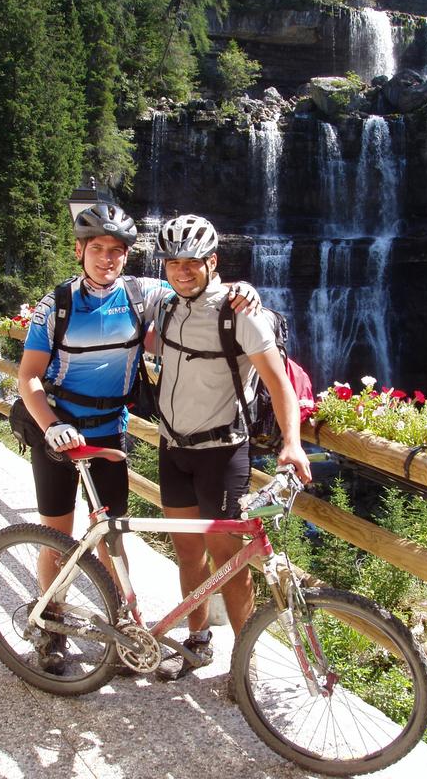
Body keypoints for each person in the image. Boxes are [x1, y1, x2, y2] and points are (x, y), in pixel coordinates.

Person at [18, 202, 258, 674]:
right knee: (58, 537)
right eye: (98, 249)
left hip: (109, 433)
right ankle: (49, 626)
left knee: (113, 538)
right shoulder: (57, 305)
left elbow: (196, 287)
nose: (108, 258)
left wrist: (243, 290)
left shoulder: (142, 293)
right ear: (80, 250)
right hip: (58, 431)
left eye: (117, 251)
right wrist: (52, 425)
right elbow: (28, 377)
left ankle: (122, 624)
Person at [151, 213, 312, 682]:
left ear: (212, 261)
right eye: (173, 262)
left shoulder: (240, 311)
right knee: (187, 553)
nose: (182, 270)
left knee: (230, 560)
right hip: (171, 448)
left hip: (221, 453)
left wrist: (293, 444)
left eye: (193, 262)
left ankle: (246, 663)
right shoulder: (165, 304)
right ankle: (197, 641)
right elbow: (111, 275)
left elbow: (278, 384)